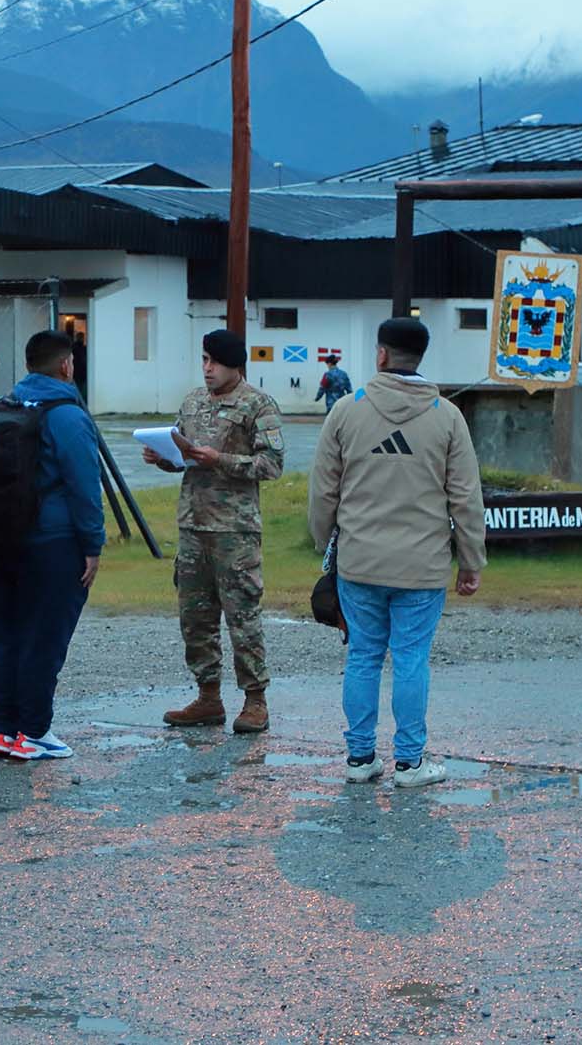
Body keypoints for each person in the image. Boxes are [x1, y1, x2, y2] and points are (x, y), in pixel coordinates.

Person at [308, 317, 486, 789]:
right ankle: (410, 762)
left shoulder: (346, 411)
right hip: (422, 566)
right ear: (420, 358)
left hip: (360, 562)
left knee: (363, 657)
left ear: (381, 355)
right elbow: (465, 496)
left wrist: (327, 544)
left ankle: (359, 757)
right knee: (411, 658)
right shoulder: (447, 416)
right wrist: (471, 560)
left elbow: (323, 492)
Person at [148, 330, 285, 735]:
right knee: (195, 618)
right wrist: (164, 459)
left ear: (234, 365)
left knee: (242, 617)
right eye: (204, 360)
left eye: (215, 362)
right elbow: (183, 456)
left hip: (235, 531)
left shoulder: (257, 404)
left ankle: (255, 699)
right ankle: (208, 697)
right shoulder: (191, 401)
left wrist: (220, 460)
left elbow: (272, 465)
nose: (207, 369)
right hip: (193, 526)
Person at [0, 330, 103, 762]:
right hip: (50, 541)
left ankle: (3, 730)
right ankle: (33, 731)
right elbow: (85, 485)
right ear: (67, 365)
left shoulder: (3, 407)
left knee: (4, 636)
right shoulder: (67, 415)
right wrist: (93, 544)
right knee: (43, 636)